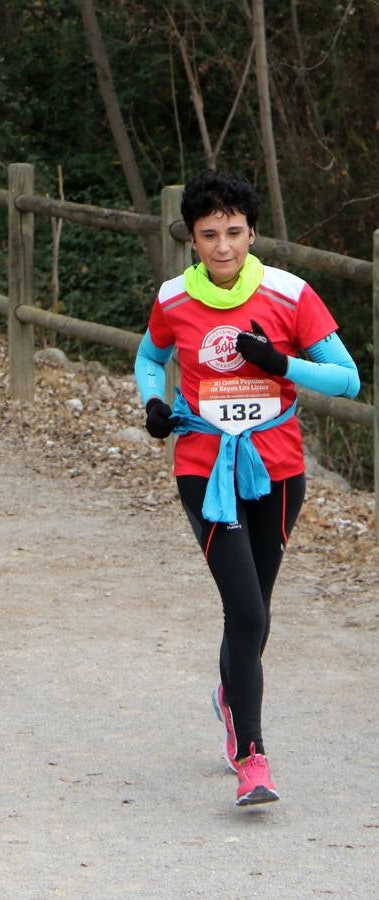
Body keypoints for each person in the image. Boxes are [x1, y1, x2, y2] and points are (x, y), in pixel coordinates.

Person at [135, 169, 360, 806]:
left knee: (253, 614)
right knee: (248, 611)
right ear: (193, 239)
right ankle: (252, 757)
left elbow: (348, 381)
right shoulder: (175, 297)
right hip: (204, 467)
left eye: (235, 231)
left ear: (253, 232)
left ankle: (230, 690)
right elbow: (150, 357)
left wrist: (279, 364)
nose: (224, 246)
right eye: (210, 234)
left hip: (279, 471)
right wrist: (154, 402)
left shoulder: (290, 295)